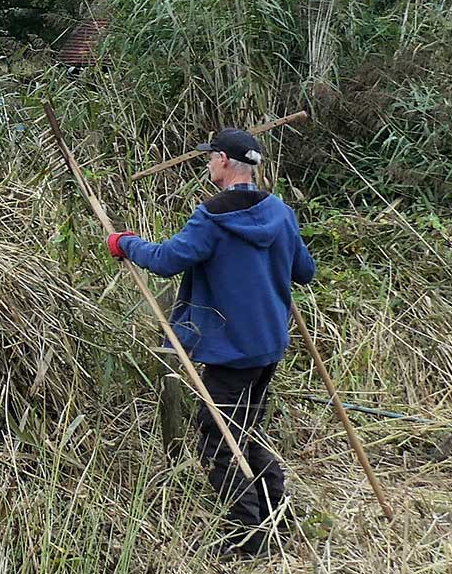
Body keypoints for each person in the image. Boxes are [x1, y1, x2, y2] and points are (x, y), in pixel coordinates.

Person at [107, 127, 315, 554]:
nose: (206, 164)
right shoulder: (280, 213)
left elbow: (166, 260)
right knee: (245, 429)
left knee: (219, 439)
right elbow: (304, 272)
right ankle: (278, 516)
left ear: (223, 160)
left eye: (209, 157)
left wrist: (123, 242)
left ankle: (247, 537)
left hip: (232, 349)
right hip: (269, 345)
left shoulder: (213, 218)